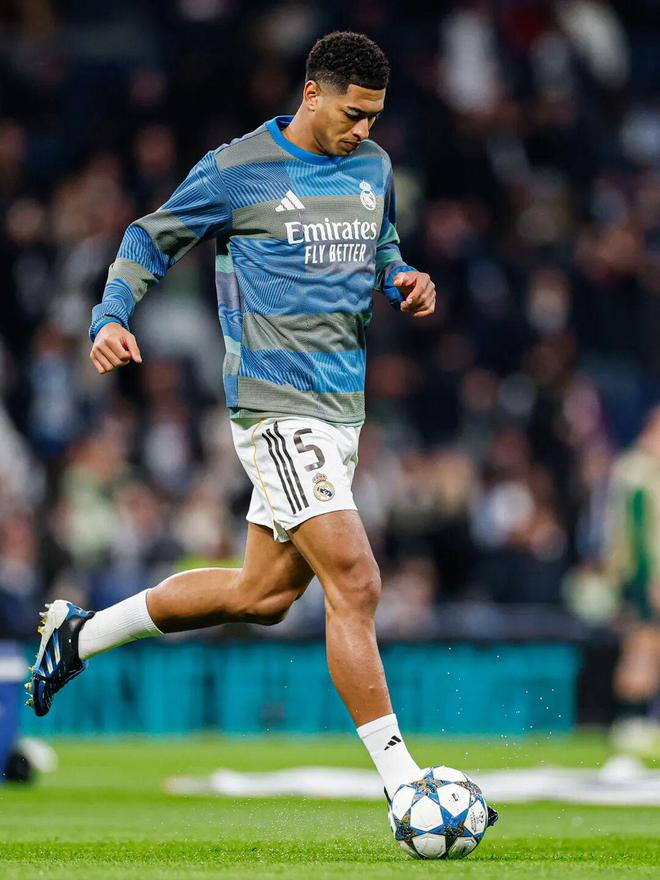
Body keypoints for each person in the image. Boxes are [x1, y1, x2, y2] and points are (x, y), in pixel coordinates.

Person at [27, 30, 496, 826]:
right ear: (312, 94)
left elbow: (381, 245)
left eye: (375, 118)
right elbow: (148, 236)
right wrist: (109, 315)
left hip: (342, 415)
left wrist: (403, 277)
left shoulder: (374, 167)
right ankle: (404, 784)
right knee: (357, 582)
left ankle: (80, 636)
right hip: (275, 408)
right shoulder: (239, 169)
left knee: (264, 594)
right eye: (352, 114)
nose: (363, 130)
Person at [606, 407, 660, 755]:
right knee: (642, 645)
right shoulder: (638, 471)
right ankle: (630, 720)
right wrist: (650, 577)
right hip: (644, 574)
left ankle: (637, 719)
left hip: (643, 572)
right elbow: (639, 533)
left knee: (647, 645)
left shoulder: (642, 468)